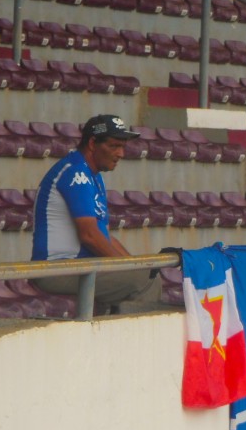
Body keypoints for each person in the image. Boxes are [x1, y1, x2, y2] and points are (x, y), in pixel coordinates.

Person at [32, 114, 162, 312]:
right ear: (93, 143)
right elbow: (89, 236)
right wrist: (130, 270)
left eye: (123, 146)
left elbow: (104, 237)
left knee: (146, 273)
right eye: (114, 146)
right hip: (57, 268)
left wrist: (135, 265)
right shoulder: (76, 172)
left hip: (81, 267)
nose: (121, 153)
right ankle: (130, 343)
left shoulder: (93, 176)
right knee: (145, 281)